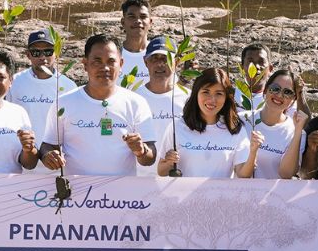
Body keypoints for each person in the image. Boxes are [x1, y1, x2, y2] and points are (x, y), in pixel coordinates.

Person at [40, 33, 156, 176]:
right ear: (85, 65)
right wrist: (48, 156)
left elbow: (150, 158)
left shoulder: (136, 103)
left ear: (121, 65)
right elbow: (48, 145)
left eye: (111, 61)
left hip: (123, 195)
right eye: (97, 61)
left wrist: (141, 151)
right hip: (76, 193)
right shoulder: (63, 103)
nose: (105, 68)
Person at [159, 67, 260, 178]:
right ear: (196, 93)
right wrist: (169, 162)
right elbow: (161, 171)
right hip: (181, 194)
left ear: (226, 97)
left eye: (219, 93)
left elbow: (242, 174)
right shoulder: (177, 126)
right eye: (206, 92)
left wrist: (253, 152)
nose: (212, 99)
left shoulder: (235, 129)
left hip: (221, 195)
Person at [6, 29, 76, 139]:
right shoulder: (14, 82)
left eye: (48, 51)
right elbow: (7, 117)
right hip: (22, 151)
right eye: (36, 52)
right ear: (28, 55)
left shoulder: (68, 86)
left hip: (54, 152)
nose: (42, 57)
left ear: (56, 53)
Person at [134, 36, 188, 172]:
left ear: (176, 62)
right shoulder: (133, 98)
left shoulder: (189, 98)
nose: (160, 64)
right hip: (139, 178)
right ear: (145, 62)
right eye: (154, 59)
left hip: (177, 177)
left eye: (165, 59)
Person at [248, 67, 308, 180]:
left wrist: (298, 132)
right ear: (265, 90)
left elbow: (286, 173)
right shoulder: (243, 120)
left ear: (293, 100)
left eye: (287, 92)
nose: (280, 95)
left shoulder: (297, 131)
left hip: (272, 196)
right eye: (275, 88)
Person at [117, 0, 152, 81]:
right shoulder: (114, 54)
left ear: (150, 22)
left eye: (143, 17)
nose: (138, 21)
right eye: (132, 17)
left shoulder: (158, 53)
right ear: (123, 22)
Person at [236, 43, 269, 114]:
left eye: (261, 62)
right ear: (242, 68)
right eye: (250, 62)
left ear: (270, 68)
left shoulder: (275, 99)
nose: (256, 66)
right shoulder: (232, 96)